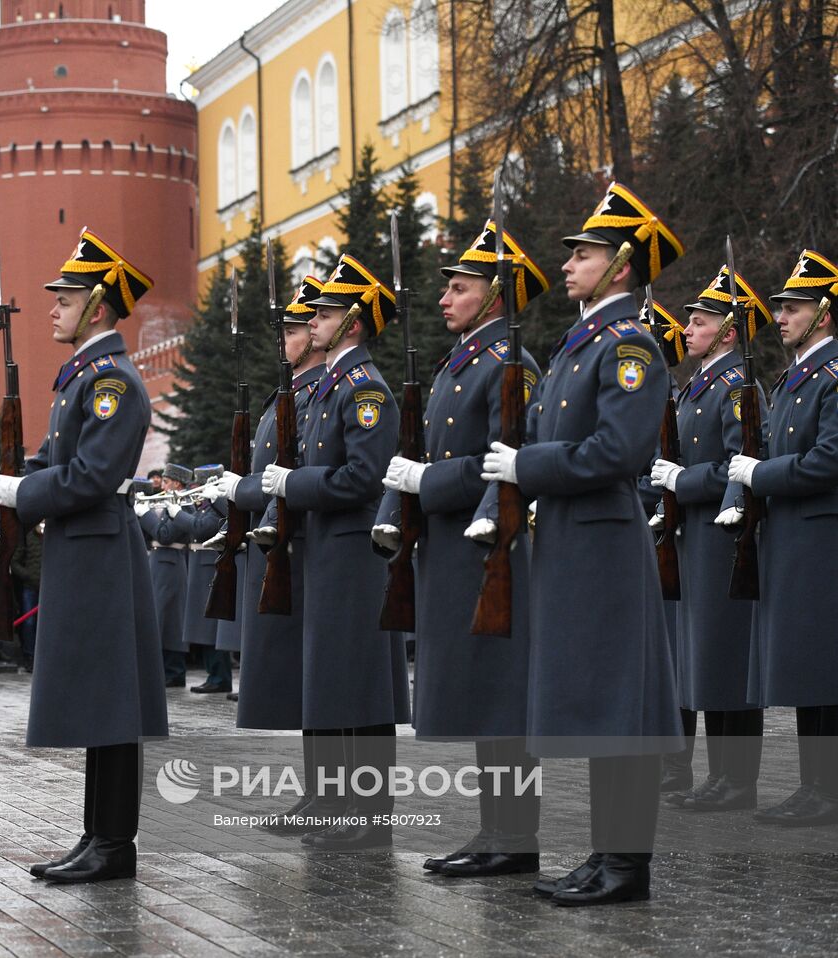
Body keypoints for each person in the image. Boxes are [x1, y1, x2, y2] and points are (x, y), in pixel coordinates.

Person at [478, 183, 685, 905]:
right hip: (571, 545)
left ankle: (628, 865)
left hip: (602, 544)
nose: (568, 265)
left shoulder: (629, 345)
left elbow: (617, 453)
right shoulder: (581, 345)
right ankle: (606, 854)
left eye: (586, 253)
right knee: (602, 708)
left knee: (619, 708)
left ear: (622, 265)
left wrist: (525, 467)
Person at [0, 228, 167, 882]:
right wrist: (8, 485)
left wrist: (25, 491)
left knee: (112, 703)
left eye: (67, 297)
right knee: (98, 702)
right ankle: (97, 836)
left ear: (99, 307)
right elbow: (56, 459)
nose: (54, 307)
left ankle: (115, 845)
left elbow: (89, 476)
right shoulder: (85, 377)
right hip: (83, 552)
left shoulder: (112, 381)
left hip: (102, 553)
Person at [377, 222, 549, 877]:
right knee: (483, 695)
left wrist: (431, 481)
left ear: (496, 297)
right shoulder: (460, 364)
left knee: (503, 695)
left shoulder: (511, 366)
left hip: (490, 543)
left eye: (460, 287)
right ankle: (494, 829)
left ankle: (517, 836)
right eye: (447, 288)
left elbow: (503, 459)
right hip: (452, 547)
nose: (445, 298)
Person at [260, 251, 410, 851]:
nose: (311, 321)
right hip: (326, 550)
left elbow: (361, 478)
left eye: (322, 312)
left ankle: (370, 815)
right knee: (332, 679)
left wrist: (292, 486)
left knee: (362, 685)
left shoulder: (363, 388)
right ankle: (334, 799)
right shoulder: (331, 387)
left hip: (354, 552)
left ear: (350, 321)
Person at [646, 270, 769, 813]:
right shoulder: (698, 386)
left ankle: (738, 780)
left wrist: (681, 482)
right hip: (695, 536)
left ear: (726, 333)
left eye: (699, 322)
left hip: (725, 535)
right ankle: (721, 777)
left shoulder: (735, 389)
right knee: (708, 659)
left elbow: (735, 466)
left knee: (728, 659)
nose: (688, 330)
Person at [725, 249, 838, 826]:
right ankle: (812, 784)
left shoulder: (834, 374)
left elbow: (829, 461)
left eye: (792, 308)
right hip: (793, 539)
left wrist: (760, 474)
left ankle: (826, 789)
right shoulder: (798, 375)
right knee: (806, 667)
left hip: (821, 540)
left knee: (824, 668)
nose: (782, 317)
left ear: (822, 314)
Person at [211, 276, 326, 826]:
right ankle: (319, 793)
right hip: (278, 541)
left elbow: (289, 475)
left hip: (297, 544)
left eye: (297, 327)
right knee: (305, 681)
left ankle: (333, 797)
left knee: (318, 678)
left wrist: (242, 490)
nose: (287, 336)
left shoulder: (315, 392)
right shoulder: (294, 392)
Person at [136, 463, 192, 687]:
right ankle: (165, 670)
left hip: (170, 562)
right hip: (159, 562)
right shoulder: (169, 504)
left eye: (167, 482)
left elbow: (165, 534)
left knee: (170, 620)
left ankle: (174, 671)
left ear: (177, 484)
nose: (163, 486)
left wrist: (146, 514)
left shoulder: (184, 507)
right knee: (160, 619)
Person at [183, 464, 231, 693]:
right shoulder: (205, 506)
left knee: (211, 627)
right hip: (199, 566)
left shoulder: (216, 506)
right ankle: (213, 674)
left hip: (209, 565)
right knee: (202, 627)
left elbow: (202, 530)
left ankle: (220, 677)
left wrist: (180, 514)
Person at [10, 521, 44, 672]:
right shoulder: (26, 535)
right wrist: (27, 575)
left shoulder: (53, 535)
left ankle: (43, 655)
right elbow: (14, 561)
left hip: (48, 588)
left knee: (44, 624)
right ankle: (29, 656)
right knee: (29, 623)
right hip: (30, 586)